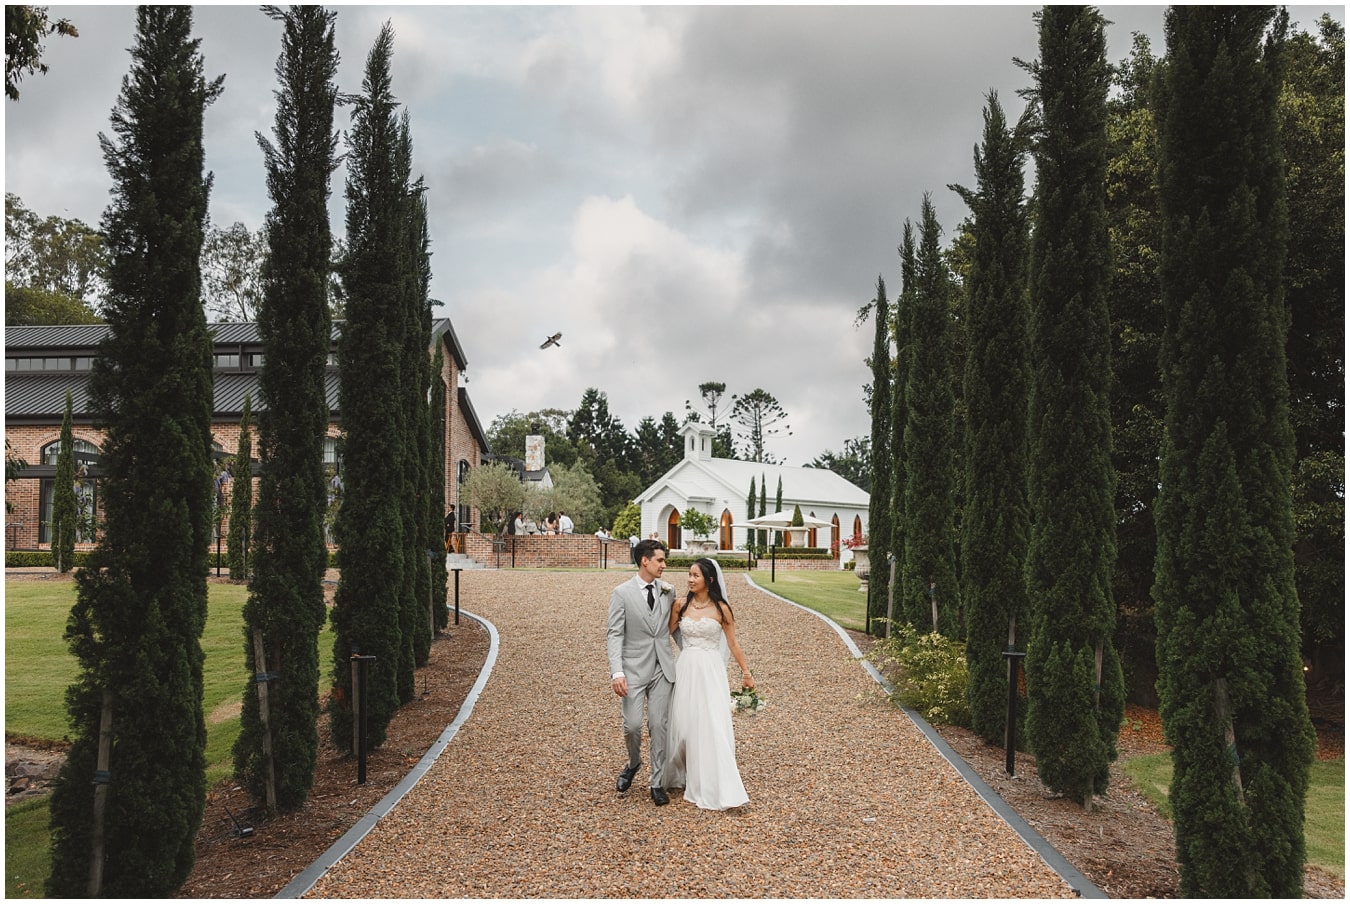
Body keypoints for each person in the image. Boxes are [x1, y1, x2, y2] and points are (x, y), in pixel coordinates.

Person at [665, 557, 752, 811]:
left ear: (709, 580)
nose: (690, 579)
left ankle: (720, 783)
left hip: (711, 671)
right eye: (689, 575)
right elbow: (665, 633)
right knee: (684, 725)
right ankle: (685, 773)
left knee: (712, 724)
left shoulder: (722, 609)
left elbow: (733, 644)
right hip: (686, 668)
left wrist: (746, 672)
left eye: (696, 576)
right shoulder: (680, 606)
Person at [607, 539, 679, 806]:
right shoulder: (621, 593)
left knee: (659, 726)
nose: (664, 565)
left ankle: (657, 782)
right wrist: (617, 672)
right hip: (633, 670)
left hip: (663, 668)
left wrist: (698, 653)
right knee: (633, 726)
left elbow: (673, 627)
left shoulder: (668, 591)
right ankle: (634, 763)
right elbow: (614, 634)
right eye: (660, 560)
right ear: (645, 561)